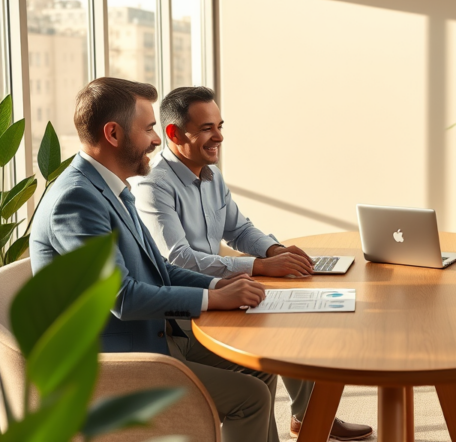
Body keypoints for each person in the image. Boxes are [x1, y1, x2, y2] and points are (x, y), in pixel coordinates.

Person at [30, 77, 282, 442]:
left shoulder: (112, 187)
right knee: (251, 396)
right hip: (114, 363)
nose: (156, 139)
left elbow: (159, 268)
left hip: (153, 335)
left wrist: (217, 284)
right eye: (148, 128)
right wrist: (212, 299)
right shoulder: (76, 200)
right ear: (113, 134)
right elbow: (121, 298)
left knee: (259, 366)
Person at [132, 86, 373, 441]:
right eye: (207, 128)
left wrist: (274, 251)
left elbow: (238, 228)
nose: (219, 136)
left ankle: (311, 416)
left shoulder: (211, 175)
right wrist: (257, 267)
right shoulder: (153, 186)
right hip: (189, 308)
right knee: (272, 338)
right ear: (174, 133)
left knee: (293, 321)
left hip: (218, 290)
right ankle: (305, 418)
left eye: (220, 125)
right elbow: (177, 259)